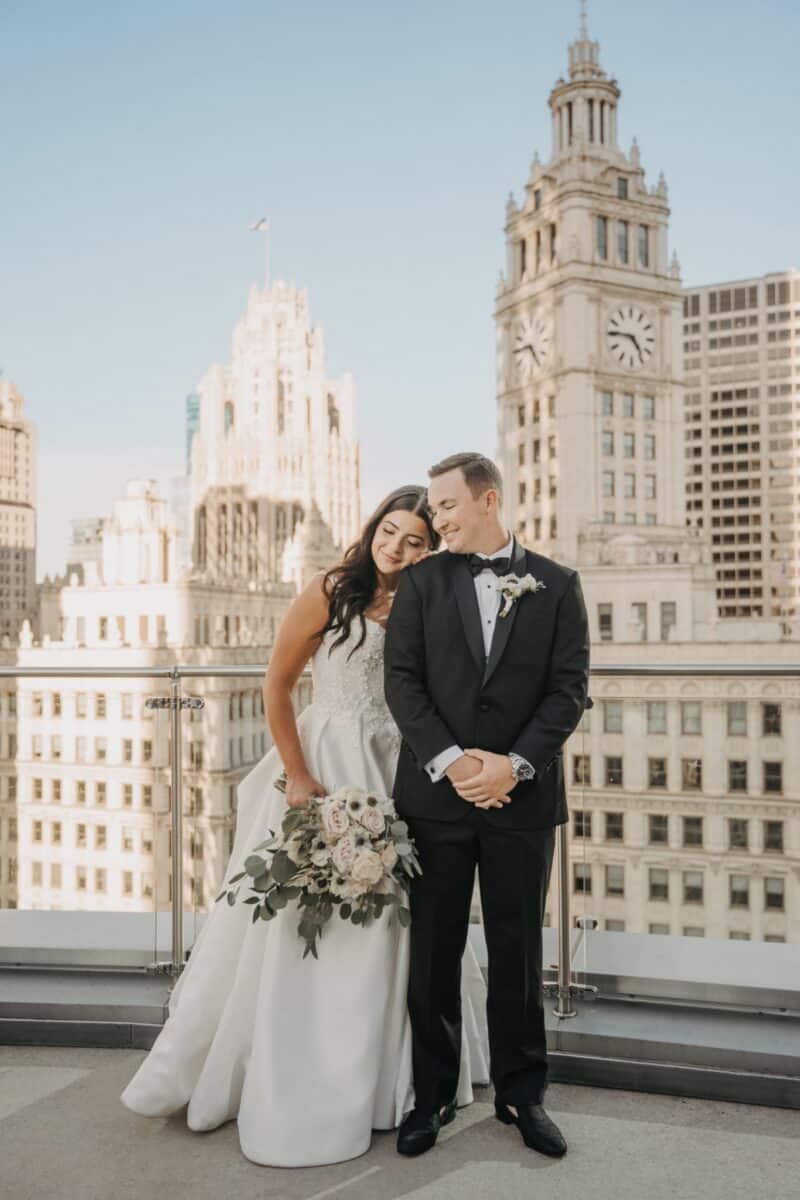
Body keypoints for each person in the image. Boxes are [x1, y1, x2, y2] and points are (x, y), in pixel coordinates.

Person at [120, 485, 490, 1167]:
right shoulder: (331, 589)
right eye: (390, 533)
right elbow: (276, 682)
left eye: (415, 541)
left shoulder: (426, 601)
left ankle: (389, 1080)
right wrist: (297, 776)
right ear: (372, 526)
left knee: (394, 920)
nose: (398, 549)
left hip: (396, 772)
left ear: (429, 548)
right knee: (305, 917)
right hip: (323, 763)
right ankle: (300, 1070)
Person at [384, 452, 590, 1160]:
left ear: (488, 500)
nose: (434, 520)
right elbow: (402, 684)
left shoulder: (559, 585)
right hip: (435, 800)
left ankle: (521, 1095)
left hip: (522, 800)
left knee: (518, 952)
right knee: (434, 955)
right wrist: (455, 762)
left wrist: (514, 764)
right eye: (433, 510)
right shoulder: (419, 582)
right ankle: (432, 1098)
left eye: (444, 507)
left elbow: (568, 691)